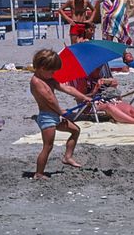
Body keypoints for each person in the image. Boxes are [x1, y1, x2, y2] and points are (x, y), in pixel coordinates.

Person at [29, 48, 92, 179]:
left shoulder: (49, 79)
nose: (53, 73)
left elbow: (66, 88)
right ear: (41, 68)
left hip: (55, 116)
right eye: (51, 71)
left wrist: (84, 97)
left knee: (76, 130)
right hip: (47, 118)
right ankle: (39, 173)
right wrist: (61, 112)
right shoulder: (36, 82)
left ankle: (67, 157)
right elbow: (50, 100)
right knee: (48, 146)